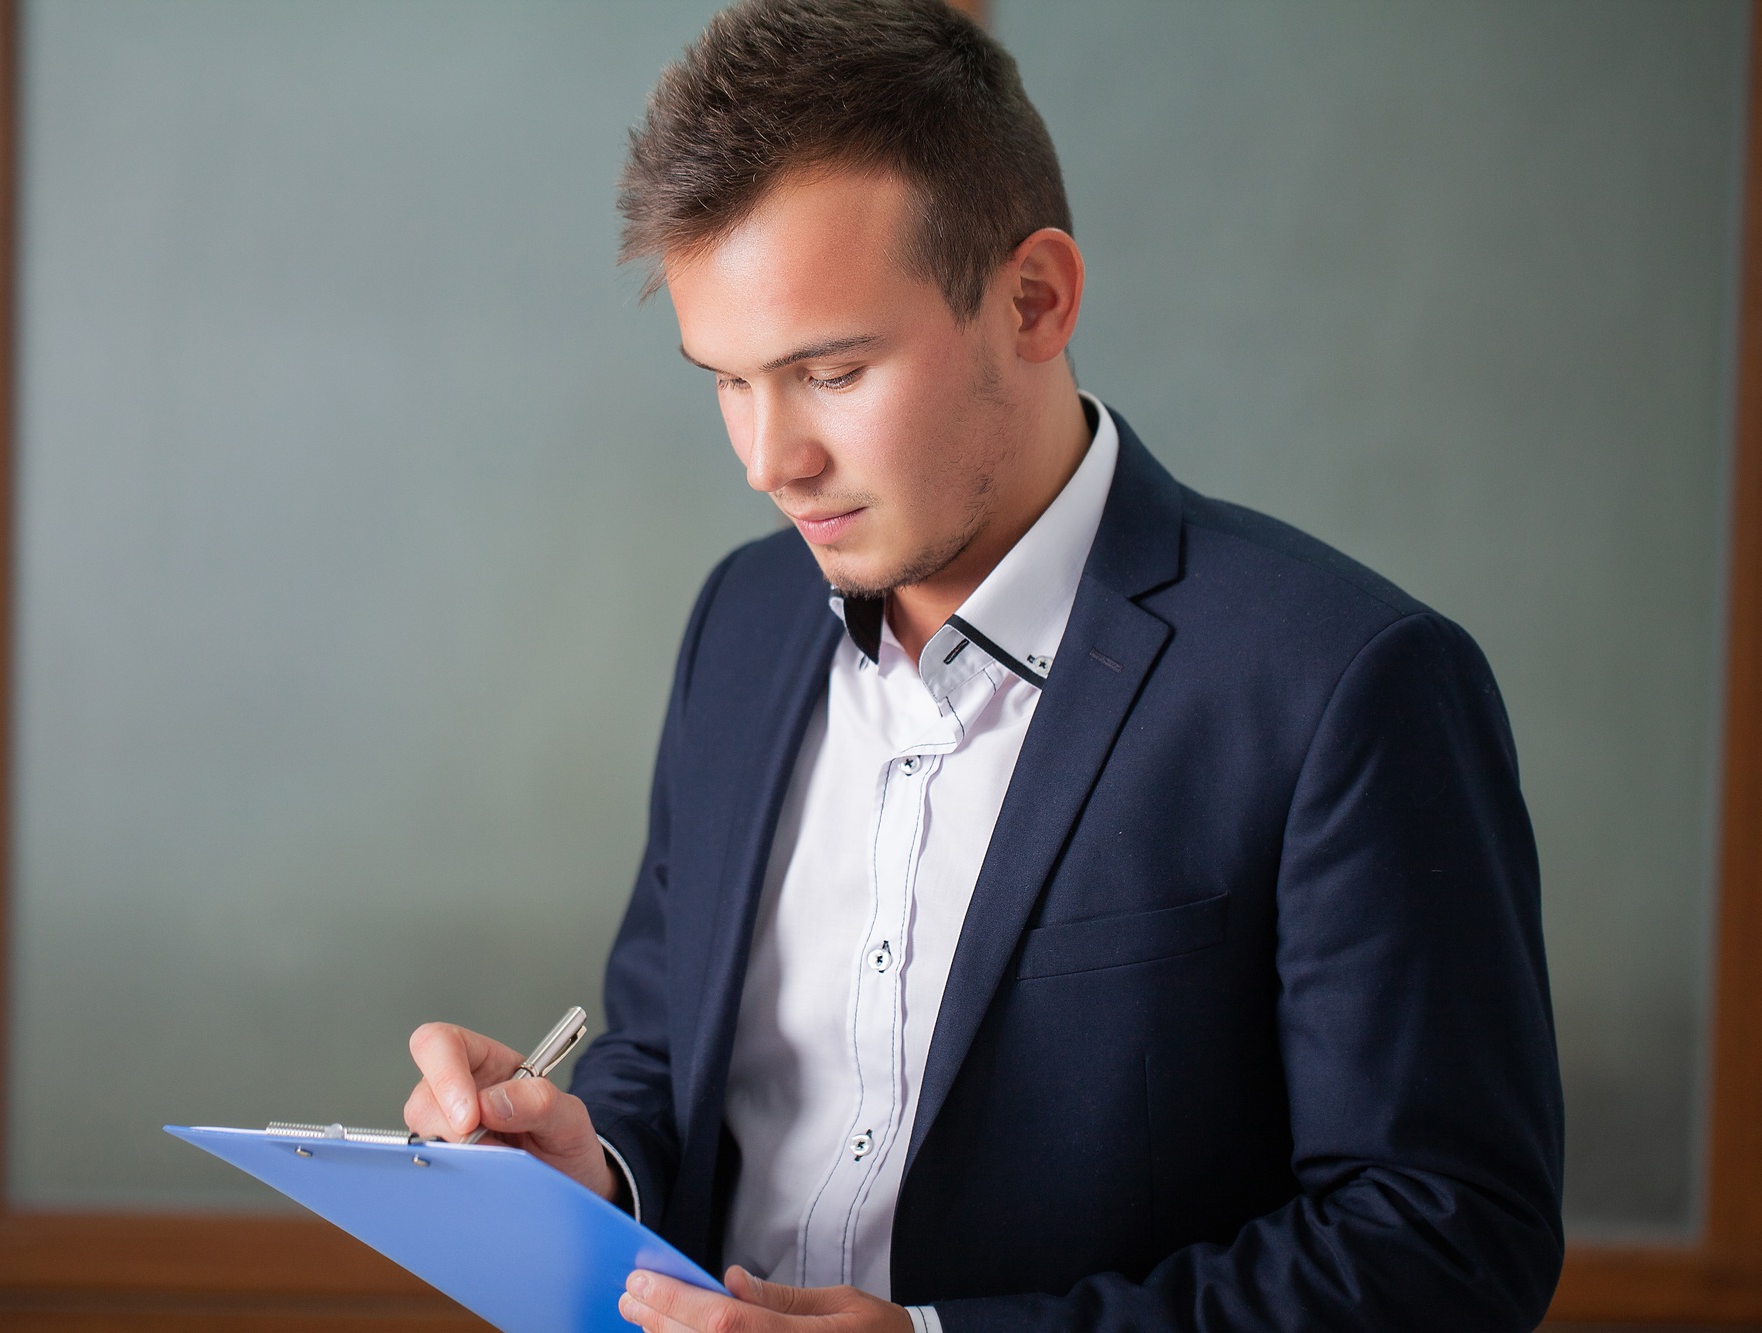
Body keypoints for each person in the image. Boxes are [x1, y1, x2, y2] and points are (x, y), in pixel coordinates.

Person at [403, 1, 1565, 1328]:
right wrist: (588, 1165)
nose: (766, 460)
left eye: (830, 369)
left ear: (1034, 298)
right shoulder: (741, 621)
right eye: (724, 380)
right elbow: (672, 1059)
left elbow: (1445, 1245)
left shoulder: (1349, 686)